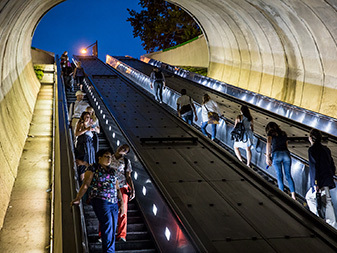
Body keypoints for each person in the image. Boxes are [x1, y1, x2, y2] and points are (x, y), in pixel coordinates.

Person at [71, 148, 125, 253]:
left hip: (114, 202)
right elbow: (86, 184)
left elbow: (117, 188)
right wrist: (78, 198)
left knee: (113, 228)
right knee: (107, 225)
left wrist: (122, 204)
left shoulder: (112, 170)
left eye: (110, 157)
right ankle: (109, 251)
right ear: (99, 157)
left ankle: (110, 250)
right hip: (100, 199)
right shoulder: (93, 168)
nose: (109, 159)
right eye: (106, 156)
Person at [305, 129, 336, 228]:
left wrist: (315, 183)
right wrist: (330, 175)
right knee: (328, 201)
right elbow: (332, 165)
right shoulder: (326, 149)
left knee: (309, 197)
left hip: (320, 180)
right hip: (327, 178)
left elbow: (314, 167)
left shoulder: (312, 149)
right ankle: (333, 224)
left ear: (310, 138)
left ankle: (317, 218)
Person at [265, 122, 296, 200]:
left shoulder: (270, 134)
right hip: (286, 154)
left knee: (279, 176)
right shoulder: (283, 133)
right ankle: (293, 196)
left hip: (276, 154)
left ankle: (282, 195)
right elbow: (286, 145)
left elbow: (268, 144)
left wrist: (268, 157)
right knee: (288, 175)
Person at [111, 144, 135, 242]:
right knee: (109, 211)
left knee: (123, 211)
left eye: (124, 149)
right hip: (110, 187)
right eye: (122, 147)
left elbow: (128, 176)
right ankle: (104, 234)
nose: (122, 149)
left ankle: (121, 235)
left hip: (122, 187)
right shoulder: (109, 157)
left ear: (125, 153)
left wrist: (132, 189)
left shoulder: (126, 161)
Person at [75, 111, 96, 181]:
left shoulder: (91, 125)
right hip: (83, 145)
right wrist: (86, 129)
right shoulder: (81, 124)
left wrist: (94, 127)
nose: (87, 118)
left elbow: (98, 130)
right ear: (83, 117)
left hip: (90, 146)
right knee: (83, 162)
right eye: (86, 117)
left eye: (89, 117)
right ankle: (82, 181)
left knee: (89, 162)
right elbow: (77, 133)